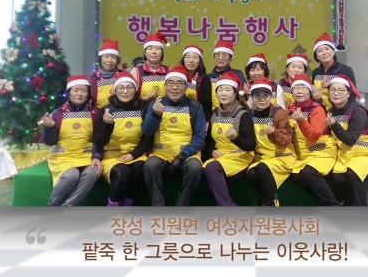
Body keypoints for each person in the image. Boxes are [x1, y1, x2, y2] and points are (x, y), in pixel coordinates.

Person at [141, 64, 206, 206]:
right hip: (161, 153)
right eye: (170, 83)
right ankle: (158, 205)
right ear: (165, 86)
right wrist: (155, 115)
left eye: (179, 83)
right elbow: (147, 131)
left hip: (187, 154)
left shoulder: (195, 107)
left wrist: (182, 156)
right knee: (150, 165)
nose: (174, 88)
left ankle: (183, 204)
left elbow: (200, 137)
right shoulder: (156, 104)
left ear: (186, 86)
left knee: (195, 168)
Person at [325, 74, 368, 206]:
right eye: (332, 90)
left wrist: (334, 125)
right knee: (336, 176)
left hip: (367, 155)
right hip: (347, 154)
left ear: (348, 94)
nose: (336, 93)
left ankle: (362, 207)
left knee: (353, 173)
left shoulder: (357, 112)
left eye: (340, 90)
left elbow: (350, 140)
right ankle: (346, 205)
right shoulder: (331, 112)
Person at [93, 72, 153, 207]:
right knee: (123, 173)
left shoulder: (143, 109)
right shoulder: (105, 111)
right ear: (115, 91)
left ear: (135, 90)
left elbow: (147, 138)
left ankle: (127, 204)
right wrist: (107, 125)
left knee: (139, 168)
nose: (125, 91)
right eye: (121, 88)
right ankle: (113, 206)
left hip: (136, 155)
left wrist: (133, 155)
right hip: (112, 157)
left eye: (129, 87)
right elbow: (99, 141)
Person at [43, 75, 101, 207]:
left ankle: (69, 206)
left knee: (94, 171)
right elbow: (50, 142)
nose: (79, 94)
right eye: (76, 90)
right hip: (63, 157)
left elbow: (98, 138)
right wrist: (49, 127)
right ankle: (52, 205)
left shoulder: (95, 113)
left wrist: (96, 156)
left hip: (86, 156)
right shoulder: (58, 113)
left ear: (88, 93)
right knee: (72, 175)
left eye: (84, 90)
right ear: (69, 92)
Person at [287, 74, 342, 206]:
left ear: (310, 91)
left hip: (322, 151)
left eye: (303, 88)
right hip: (304, 155)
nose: (299, 91)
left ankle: (332, 206)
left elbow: (314, 136)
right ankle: (332, 199)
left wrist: (301, 121)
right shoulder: (290, 110)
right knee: (296, 175)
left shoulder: (317, 109)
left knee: (308, 172)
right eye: (296, 88)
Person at [202, 72, 256, 206]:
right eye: (220, 90)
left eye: (228, 90)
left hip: (240, 157)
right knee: (200, 169)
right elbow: (210, 141)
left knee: (212, 168)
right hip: (221, 156)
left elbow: (251, 145)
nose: (224, 94)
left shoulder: (243, 114)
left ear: (235, 93)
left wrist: (236, 138)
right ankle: (230, 205)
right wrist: (212, 151)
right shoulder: (214, 114)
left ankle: (226, 208)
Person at [246, 78, 296, 207]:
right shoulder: (249, 114)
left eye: (266, 95)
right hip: (263, 157)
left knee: (263, 167)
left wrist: (274, 133)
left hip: (282, 156)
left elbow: (286, 140)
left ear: (271, 96)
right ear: (252, 97)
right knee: (251, 174)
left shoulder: (280, 113)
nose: (262, 99)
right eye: (257, 96)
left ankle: (269, 204)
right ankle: (272, 199)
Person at [311, 33, 357, 111]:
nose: (324, 52)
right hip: (320, 111)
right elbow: (314, 94)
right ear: (317, 56)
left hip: (341, 112)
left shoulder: (345, 70)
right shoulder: (315, 72)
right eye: (320, 51)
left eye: (327, 49)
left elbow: (352, 95)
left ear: (333, 51)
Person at [130, 32, 170, 106]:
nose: (154, 52)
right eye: (150, 48)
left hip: (166, 111)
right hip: (142, 111)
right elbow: (129, 97)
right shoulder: (136, 71)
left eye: (158, 48)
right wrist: (146, 98)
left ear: (162, 53)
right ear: (145, 53)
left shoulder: (169, 71)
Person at [207, 40, 246, 111]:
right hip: (212, 114)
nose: (220, 58)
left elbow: (243, 97)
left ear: (230, 58)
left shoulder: (237, 74)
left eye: (224, 55)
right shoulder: (208, 77)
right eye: (217, 54)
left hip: (233, 113)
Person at [180, 44, 213, 121]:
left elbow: (206, 105)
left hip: (197, 117)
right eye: (188, 57)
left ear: (200, 61)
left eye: (195, 57)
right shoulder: (177, 76)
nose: (191, 60)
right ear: (183, 59)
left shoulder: (204, 79)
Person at [90, 39, 123, 109]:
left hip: (120, 113)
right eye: (106, 57)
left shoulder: (123, 76)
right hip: (99, 113)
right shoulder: (93, 78)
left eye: (114, 57)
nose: (110, 60)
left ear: (117, 61)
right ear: (100, 59)